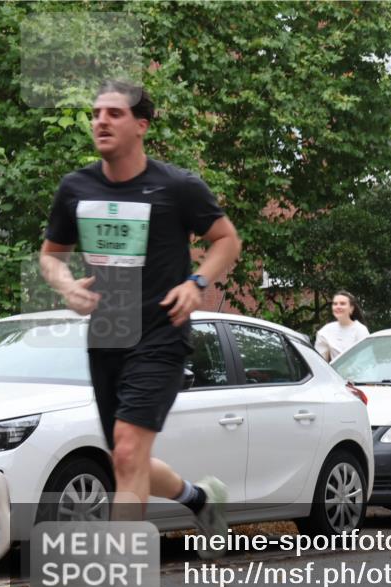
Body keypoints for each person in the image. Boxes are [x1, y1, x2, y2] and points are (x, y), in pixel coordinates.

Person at [39, 81, 242, 558]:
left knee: (128, 452)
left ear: (141, 126)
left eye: (114, 113)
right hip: (107, 334)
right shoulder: (76, 187)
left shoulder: (177, 186)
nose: (101, 121)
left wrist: (196, 284)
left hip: (161, 332)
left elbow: (226, 240)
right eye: (95, 113)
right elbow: (51, 255)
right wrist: (66, 284)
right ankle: (200, 498)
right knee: (125, 458)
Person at [314, 290, 369, 361]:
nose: (338, 307)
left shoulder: (360, 330)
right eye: (335, 304)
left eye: (342, 304)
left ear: (351, 308)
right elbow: (319, 361)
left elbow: (366, 359)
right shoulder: (326, 331)